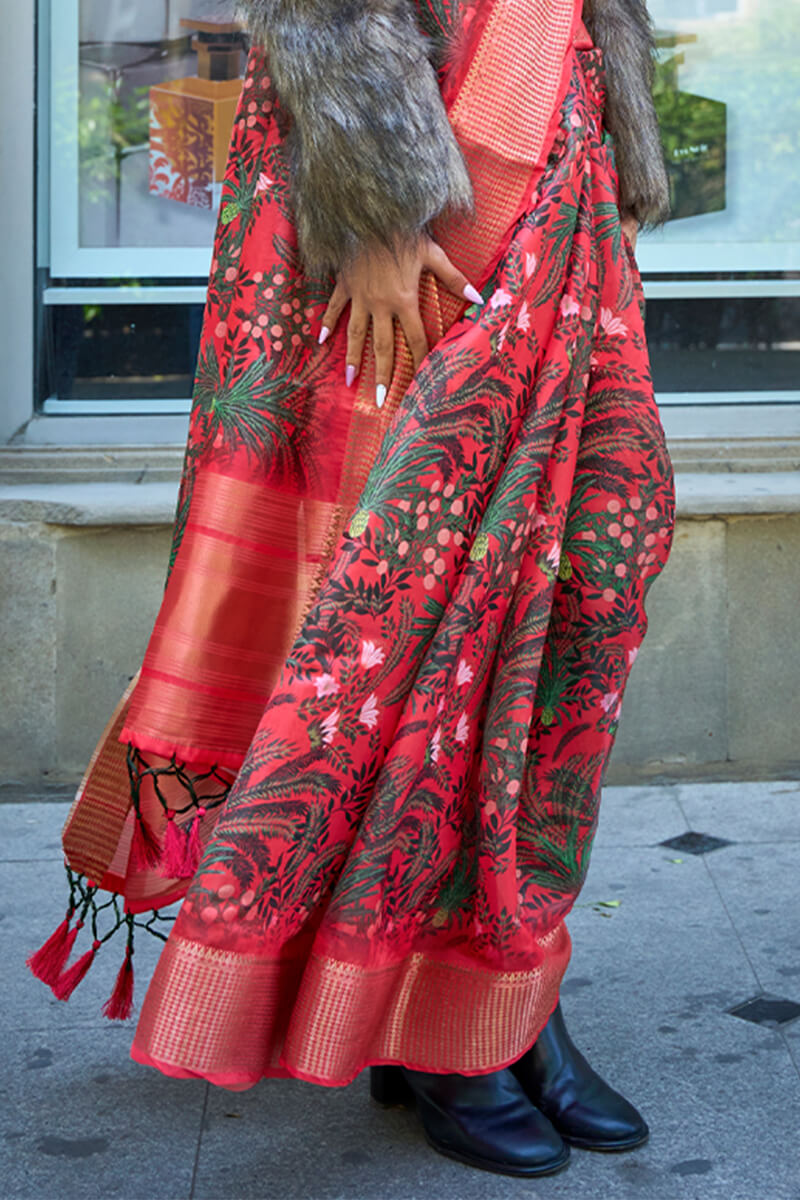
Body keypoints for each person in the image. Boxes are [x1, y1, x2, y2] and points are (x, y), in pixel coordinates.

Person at [29, 0, 675, 1179]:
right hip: (416, 198)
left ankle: (493, 990)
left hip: (557, 198)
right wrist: (375, 215)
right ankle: (426, 1020)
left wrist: (609, 151)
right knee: (404, 638)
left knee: (566, 612)